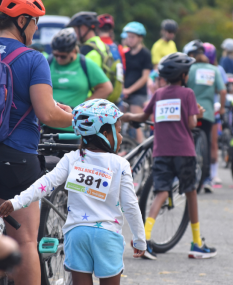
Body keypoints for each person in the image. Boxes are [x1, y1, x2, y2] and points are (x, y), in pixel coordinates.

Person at [0, 99, 146, 285]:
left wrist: (15, 202)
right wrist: (140, 239)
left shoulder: (72, 159)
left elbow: (44, 185)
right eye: (117, 131)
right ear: (104, 133)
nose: (122, 136)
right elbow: (130, 205)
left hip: (76, 234)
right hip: (107, 236)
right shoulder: (120, 164)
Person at [0, 0, 73, 284]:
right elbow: (47, 114)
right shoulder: (32, 58)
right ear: (22, 21)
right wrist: (77, 117)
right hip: (16, 156)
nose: (36, 28)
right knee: (26, 240)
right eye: (35, 22)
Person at [122, 52, 217, 260]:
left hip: (161, 151)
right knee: (191, 193)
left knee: (161, 192)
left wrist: (127, 116)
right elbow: (192, 124)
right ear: (183, 75)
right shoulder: (188, 94)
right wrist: (198, 113)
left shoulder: (159, 94)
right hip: (184, 151)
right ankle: (196, 243)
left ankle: (144, 239)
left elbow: (144, 116)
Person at [48, 28, 112, 133]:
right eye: (56, 55)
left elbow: (106, 88)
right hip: (48, 125)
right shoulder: (48, 61)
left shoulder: (85, 63)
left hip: (73, 128)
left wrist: (83, 107)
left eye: (63, 56)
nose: (58, 59)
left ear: (73, 51)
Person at [184, 40, 226, 193]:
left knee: (187, 142)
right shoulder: (214, 70)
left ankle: (184, 175)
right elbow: (223, 91)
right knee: (207, 143)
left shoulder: (189, 69)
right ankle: (207, 178)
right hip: (208, 112)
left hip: (191, 111)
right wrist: (221, 109)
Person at [67, 12, 123, 104]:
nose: (75, 35)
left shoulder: (87, 50)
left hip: (88, 100)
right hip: (102, 101)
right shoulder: (101, 45)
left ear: (84, 28)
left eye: (76, 30)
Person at [122, 22, 152, 143]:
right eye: (128, 36)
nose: (130, 39)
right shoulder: (125, 54)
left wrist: (129, 90)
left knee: (136, 123)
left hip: (138, 93)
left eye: (133, 37)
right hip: (124, 92)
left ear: (140, 38)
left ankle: (141, 147)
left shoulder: (145, 54)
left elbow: (145, 77)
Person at [203, 42, 228, 185]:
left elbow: (222, 89)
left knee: (213, 143)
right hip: (202, 111)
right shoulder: (196, 68)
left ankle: (214, 172)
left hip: (214, 110)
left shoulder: (218, 70)